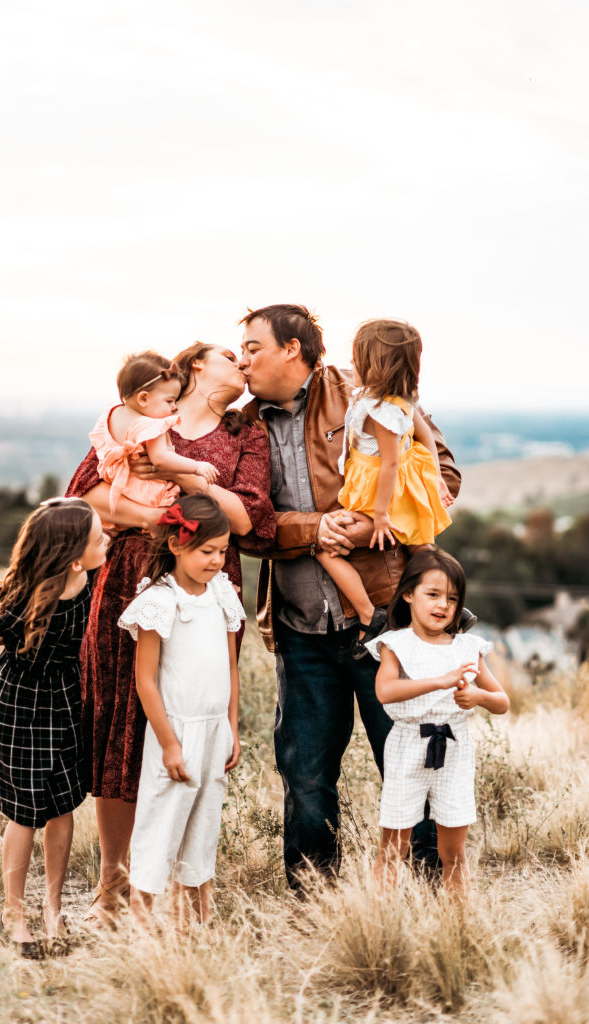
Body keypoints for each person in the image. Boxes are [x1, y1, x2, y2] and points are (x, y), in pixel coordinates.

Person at [239, 304, 461, 889]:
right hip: (300, 626)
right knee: (306, 773)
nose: (243, 361)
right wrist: (313, 528)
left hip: (387, 618)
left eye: (253, 348)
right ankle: (315, 900)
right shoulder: (241, 426)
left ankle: (426, 893)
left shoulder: (365, 394)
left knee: (410, 761)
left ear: (293, 349)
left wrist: (363, 525)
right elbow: (244, 525)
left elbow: (442, 477)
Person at [66, 342, 275, 926]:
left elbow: (248, 521)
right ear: (195, 368)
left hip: (204, 587)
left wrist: (188, 489)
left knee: (187, 727)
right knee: (119, 728)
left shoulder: (244, 437)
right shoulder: (140, 418)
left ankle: (181, 889)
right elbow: (86, 496)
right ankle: (112, 888)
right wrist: (162, 516)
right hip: (125, 583)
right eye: (230, 354)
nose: (242, 363)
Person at [0, 497, 108, 956]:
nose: (106, 539)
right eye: (97, 536)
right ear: (70, 554)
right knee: (25, 811)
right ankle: (14, 911)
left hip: (65, 700)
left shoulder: (88, 579)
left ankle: (52, 907)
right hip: (20, 706)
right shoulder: (28, 597)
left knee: (63, 803)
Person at [118, 495, 244, 927]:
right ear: (176, 545)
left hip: (215, 731)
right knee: (161, 823)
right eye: (206, 551)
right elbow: (145, 680)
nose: (216, 560)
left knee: (205, 823)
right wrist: (170, 743)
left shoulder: (223, 592)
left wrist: (233, 726)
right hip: (177, 733)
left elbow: (231, 665)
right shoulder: (159, 601)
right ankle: (140, 923)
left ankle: (197, 921)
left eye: (222, 551)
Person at [367, 547, 509, 896]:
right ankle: (376, 924)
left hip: (455, 749)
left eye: (452, 598)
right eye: (433, 594)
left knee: (453, 851)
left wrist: (478, 697)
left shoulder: (467, 647)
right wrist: (441, 682)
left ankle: (457, 924)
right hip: (407, 746)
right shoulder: (395, 644)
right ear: (408, 594)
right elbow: (385, 691)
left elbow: (502, 702)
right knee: (393, 845)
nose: (443, 605)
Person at [316, 318, 454, 658]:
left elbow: (389, 464)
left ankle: (370, 616)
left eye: (356, 359)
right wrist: (434, 479)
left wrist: (379, 517)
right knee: (422, 550)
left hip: (380, 491)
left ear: (372, 365)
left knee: (326, 549)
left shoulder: (379, 411)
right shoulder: (403, 400)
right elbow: (425, 437)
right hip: (409, 486)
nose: (351, 365)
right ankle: (451, 611)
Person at [89, 350, 218, 523]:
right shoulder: (151, 426)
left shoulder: (111, 414)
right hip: (146, 494)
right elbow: (161, 459)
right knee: (178, 515)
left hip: (119, 490)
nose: (174, 407)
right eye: (169, 401)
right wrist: (196, 467)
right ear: (143, 398)